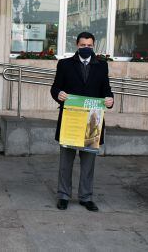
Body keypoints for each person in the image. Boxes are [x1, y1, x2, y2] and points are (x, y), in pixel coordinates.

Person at [50, 32, 114, 212]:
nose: (86, 48)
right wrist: (58, 94)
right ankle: (63, 195)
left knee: (88, 162)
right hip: (71, 118)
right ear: (76, 45)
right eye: (83, 45)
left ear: (94, 46)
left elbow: (106, 89)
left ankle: (86, 197)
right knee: (66, 161)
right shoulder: (65, 64)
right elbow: (55, 87)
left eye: (89, 46)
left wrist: (110, 99)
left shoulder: (101, 65)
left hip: (92, 119)